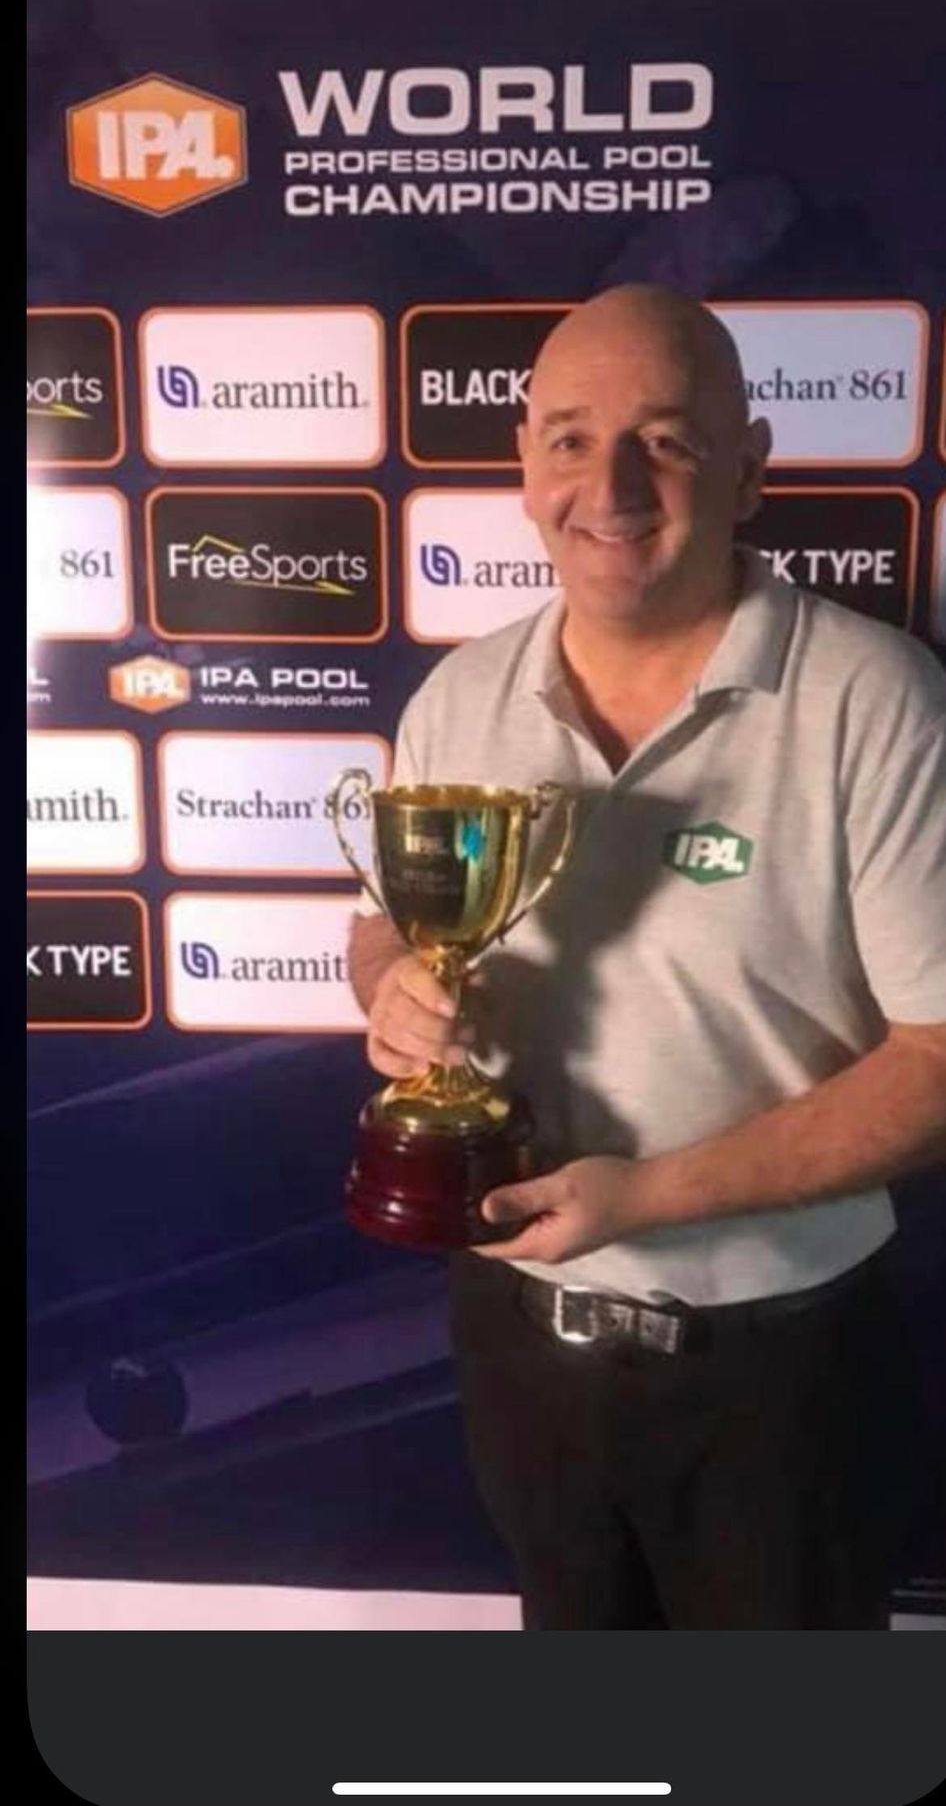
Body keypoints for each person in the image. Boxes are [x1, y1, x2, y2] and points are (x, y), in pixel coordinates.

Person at [348, 283, 946, 1630]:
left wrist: (651, 1198)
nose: (609, 487)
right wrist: (391, 991)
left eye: (665, 440)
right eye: (570, 438)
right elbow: (385, 921)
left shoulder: (877, 701)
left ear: (750, 468)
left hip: (777, 1376)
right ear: (524, 465)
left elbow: (938, 1057)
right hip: (519, 1344)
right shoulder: (462, 695)